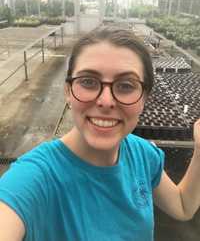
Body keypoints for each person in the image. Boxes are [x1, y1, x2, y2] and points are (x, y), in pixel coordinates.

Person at [0, 26, 200, 241]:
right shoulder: (35, 178)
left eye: (126, 85)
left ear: (144, 98)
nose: (105, 101)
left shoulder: (142, 155)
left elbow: (182, 206)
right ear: (68, 91)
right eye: (88, 81)